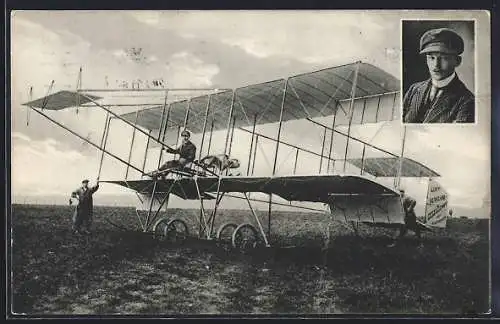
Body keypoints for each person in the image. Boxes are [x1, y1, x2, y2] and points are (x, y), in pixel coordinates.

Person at [403, 27, 474, 123]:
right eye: (431, 58)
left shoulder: (467, 100)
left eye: (444, 58)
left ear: (457, 61)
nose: (436, 65)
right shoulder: (414, 89)